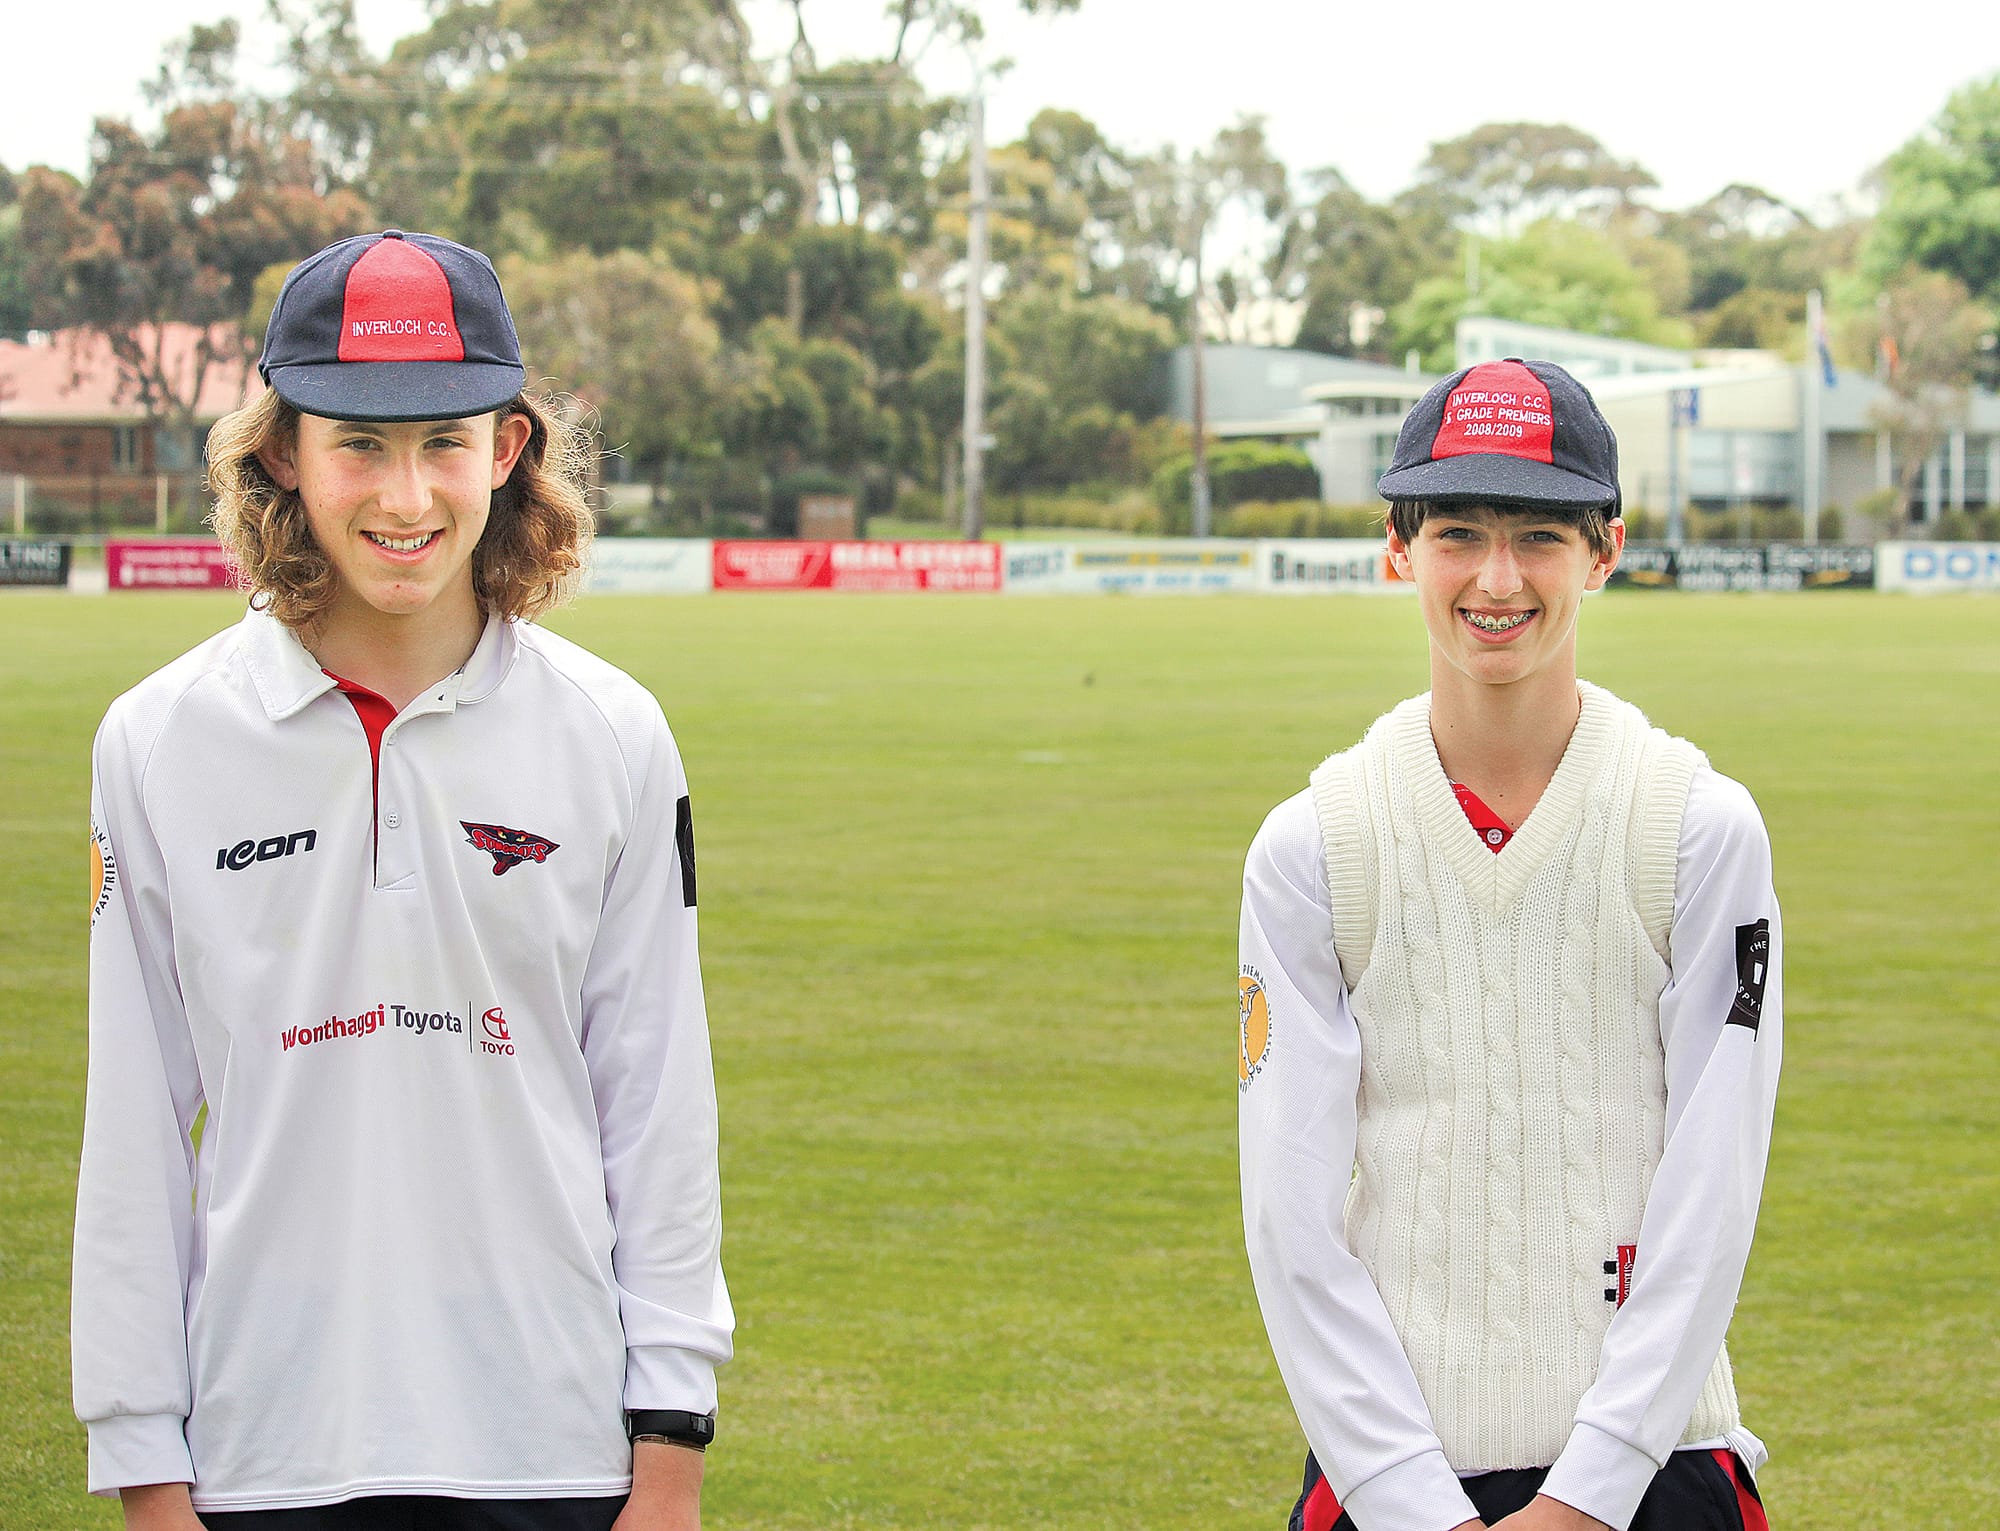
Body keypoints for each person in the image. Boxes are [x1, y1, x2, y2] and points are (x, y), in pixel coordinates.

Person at [74, 230, 732, 1531]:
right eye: (359, 444)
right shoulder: (157, 738)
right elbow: (135, 1122)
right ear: (282, 452)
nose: (406, 495)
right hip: (265, 1444)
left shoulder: (612, 732)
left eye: (444, 441)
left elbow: (655, 1104)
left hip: (553, 1448)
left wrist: (672, 1446)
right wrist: (146, 1464)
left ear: (507, 449)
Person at [1238, 359, 1781, 1531]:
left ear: (1605, 550)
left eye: (1539, 534)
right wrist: (1408, 1500)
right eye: (1457, 532)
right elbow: (1289, 1217)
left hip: (1658, 1469)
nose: (1496, 577)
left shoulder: (1691, 825)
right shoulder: (1315, 845)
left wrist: (1585, 1496)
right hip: (1384, 1477)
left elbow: (1711, 1179)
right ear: (1397, 548)